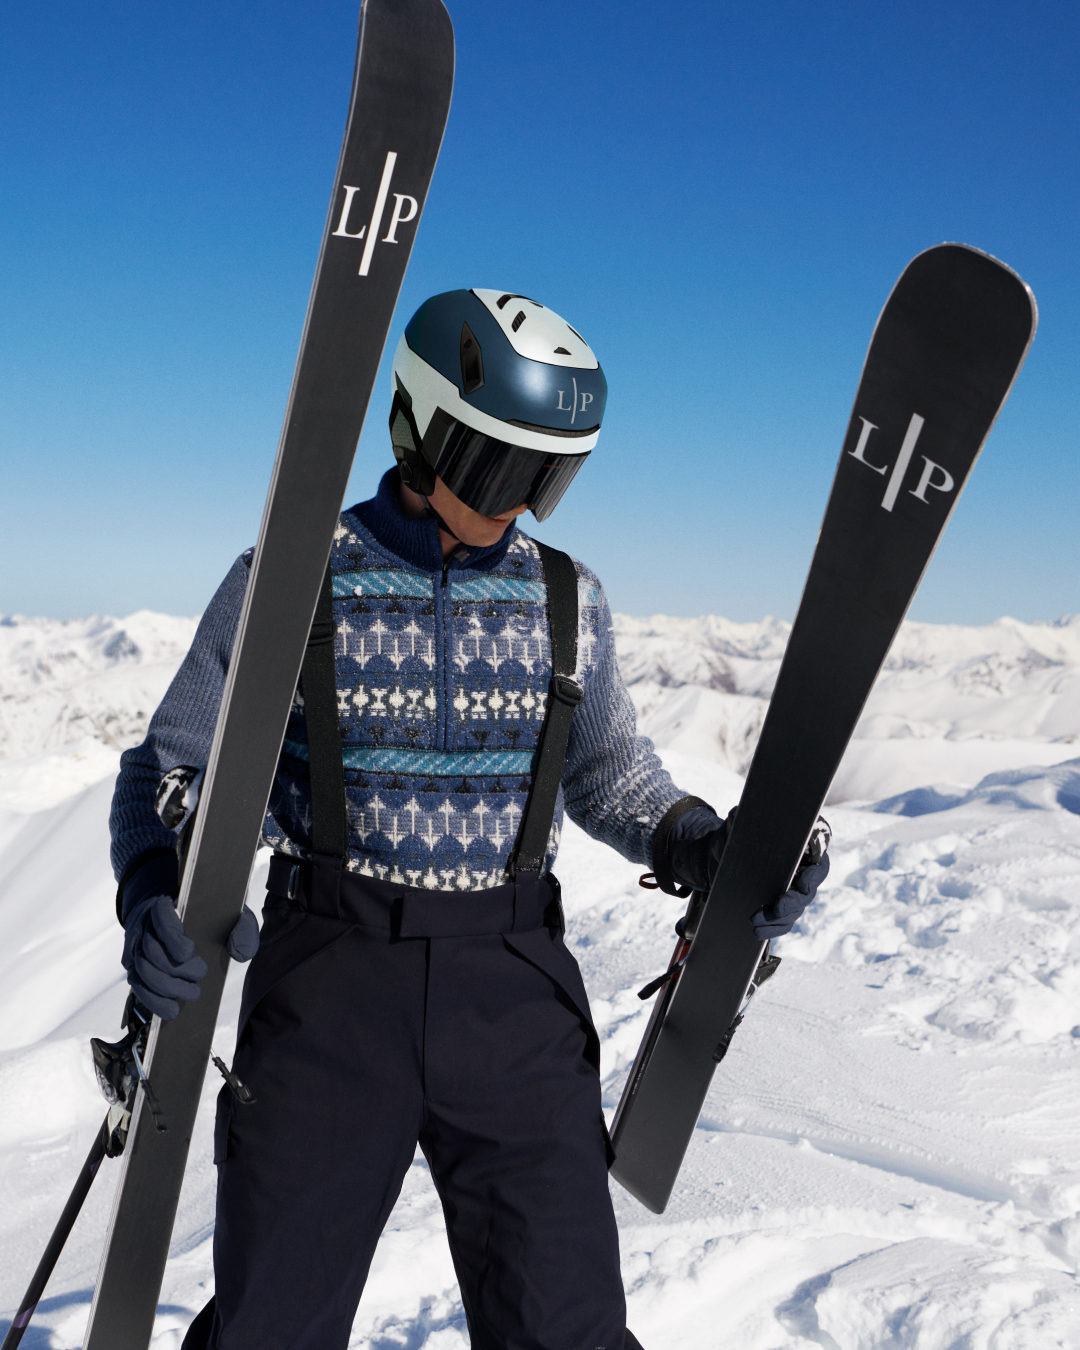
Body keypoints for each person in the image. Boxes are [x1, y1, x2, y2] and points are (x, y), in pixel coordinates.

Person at [111, 288, 829, 1350]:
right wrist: (152, 889)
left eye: (551, 478)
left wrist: (696, 842)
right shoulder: (293, 578)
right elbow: (172, 766)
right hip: (330, 982)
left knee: (566, 1328)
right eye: (503, 471)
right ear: (420, 429)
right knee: (273, 1326)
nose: (521, 507)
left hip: (513, 989)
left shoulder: (567, 597)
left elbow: (609, 773)